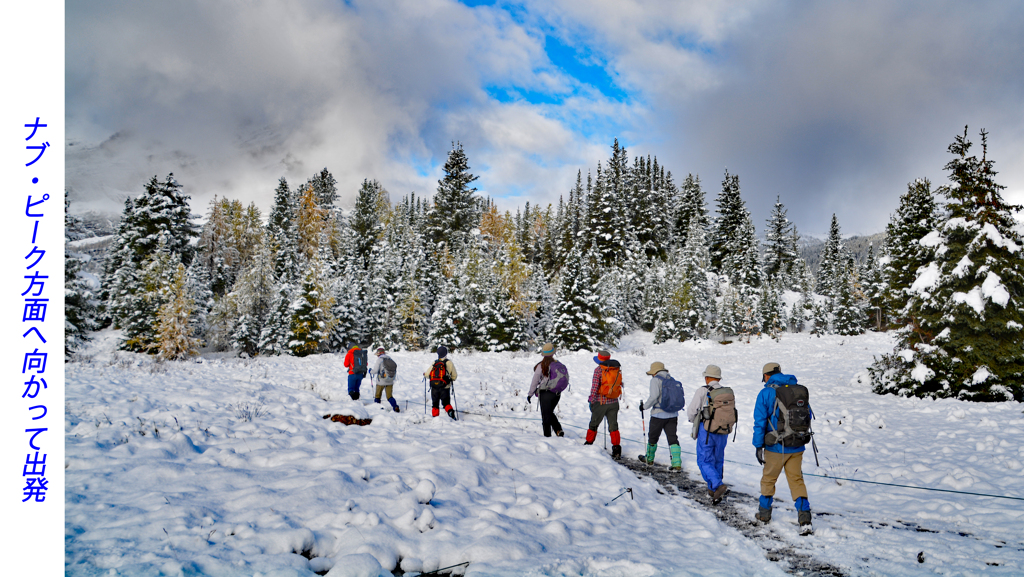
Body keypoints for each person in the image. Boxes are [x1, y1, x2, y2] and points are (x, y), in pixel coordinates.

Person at [752, 361, 812, 532]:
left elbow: (760, 421)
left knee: (769, 478)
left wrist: (758, 445)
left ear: (766, 375)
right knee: (796, 480)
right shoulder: (798, 390)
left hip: (776, 446)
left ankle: (764, 514)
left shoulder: (766, 392)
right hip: (797, 444)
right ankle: (805, 517)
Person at [687, 364, 730, 504]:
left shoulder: (702, 390)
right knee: (717, 459)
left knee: (704, 460)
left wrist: (693, 421)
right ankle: (713, 491)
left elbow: (692, 410)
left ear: (707, 377)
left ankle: (718, 485)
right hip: (723, 430)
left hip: (707, 429)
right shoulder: (726, 392)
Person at [638, 362, 682, 470]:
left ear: (654, 372)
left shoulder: (655, 380)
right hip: (672, 414)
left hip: (658, 414)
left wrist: (644, 407)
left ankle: (649, 458)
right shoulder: (671, 379)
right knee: (672, 438)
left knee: (653, 437)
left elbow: (654, 397)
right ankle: (676, 463)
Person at [584, 350, 622, 459]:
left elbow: (595, 387)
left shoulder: (598, 370)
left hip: (601, 402)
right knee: (613, 425)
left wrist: (592, 400)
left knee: (594, 423)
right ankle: (616, 449)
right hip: (614, 402)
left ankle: (589, 443)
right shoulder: (616, 369)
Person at [527, 342, 565, 437]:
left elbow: (535, 380)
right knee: (549, 412)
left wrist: (530, 394)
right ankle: (558, 430)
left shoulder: (541, 365)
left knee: (546, 416)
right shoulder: (558, 364)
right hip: (557, 393)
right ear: (553, 353)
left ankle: (547, 437)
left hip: (546, 393)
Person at [424, 345, 458, 419]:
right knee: (446, 403)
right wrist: (450, 379)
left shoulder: (435, 362)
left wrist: (426, 375)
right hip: (445, 387)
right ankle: (451, 413)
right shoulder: (449, 363)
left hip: (434, 387)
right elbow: (454, 376)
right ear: (446, 353)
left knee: (435, 404)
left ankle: (435, 419)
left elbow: (427, 374)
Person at [373, 347, 400, 413]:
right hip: (390, 380)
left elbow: (375, 371)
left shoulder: (379, 360)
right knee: (389, 396)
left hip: (381, 381)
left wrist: (371, 371)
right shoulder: (390, 359)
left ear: (379, 354)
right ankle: (395, 406)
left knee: (378, 396)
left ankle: (376, 409)